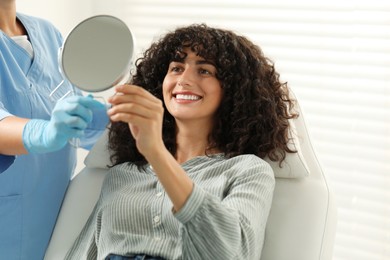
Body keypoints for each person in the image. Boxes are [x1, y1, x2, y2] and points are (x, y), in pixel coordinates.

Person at [65, 23, 298, 260]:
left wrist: (156, 153)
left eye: (204, 70)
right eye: (176, 68)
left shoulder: (246, 170)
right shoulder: (122, 175)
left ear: (234, 90)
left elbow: (231, 252)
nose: (184, 80)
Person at [0, 1, 108, 259]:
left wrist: (99, 124)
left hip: (57, 215)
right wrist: (45, 133)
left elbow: (73, 115)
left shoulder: (48, 34)